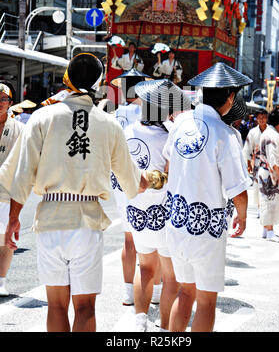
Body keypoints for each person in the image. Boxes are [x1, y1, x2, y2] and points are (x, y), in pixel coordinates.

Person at [1, 53, 167, 332]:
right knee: (86, 307)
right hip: (87, 222)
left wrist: (13, 220)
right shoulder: (109, 123)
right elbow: (133, 184)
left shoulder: (42, 117)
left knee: (55, 306)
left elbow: (20, 176)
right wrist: (154, 178)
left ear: (66, 79)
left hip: (50, 217)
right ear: (97, 83)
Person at [162, 63, 252, 332]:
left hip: (177, 222)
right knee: (205, 302)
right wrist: (243, 216)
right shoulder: (225, 134)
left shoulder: (180, 125)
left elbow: (168, 165)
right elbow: (238, 189)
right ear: (230, 98)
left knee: (184, 294)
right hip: (206, 231)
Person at [124, 79, 192, 332]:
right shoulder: (171, 134)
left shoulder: (128, 131)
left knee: (145, 269)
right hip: (163, 213)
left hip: (136, 209)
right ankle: (164, 328)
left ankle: (140, 320)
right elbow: (174, 172)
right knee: (170, 276)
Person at [110, 68, 162, 307]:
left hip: (119, 180)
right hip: (147, 179)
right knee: (153, 237)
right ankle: (155, 290)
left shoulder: (113, 112)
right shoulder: (143, 112)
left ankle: (128, 292)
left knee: (129, 238)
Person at [0, 81, 24, 296]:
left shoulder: (19, 128)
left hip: (8, 190)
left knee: (5, 238)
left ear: (10, 103)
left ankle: (1, 280)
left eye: (3, 99)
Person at [258, 108, 279, 242]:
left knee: (267, 201)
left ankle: (266, 229)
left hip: (266, 171)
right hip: (270, 172)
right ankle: (270, 231)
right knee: (270, 201)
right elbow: (272, 158)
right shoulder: (272, 135)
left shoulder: (268, 133)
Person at [243, 110, 268, 218]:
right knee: (258, 186)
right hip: (257, 163)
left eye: (263, 117)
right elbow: (247, 149)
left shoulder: (272, 131)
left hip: (270, 163)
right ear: (256, 119)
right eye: (259, 117)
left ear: (267, 118)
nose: (261, 119)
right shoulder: (253, 132)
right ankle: (259, 208)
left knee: (269, 187)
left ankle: (267, 208)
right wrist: (249, 163)